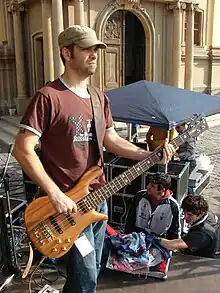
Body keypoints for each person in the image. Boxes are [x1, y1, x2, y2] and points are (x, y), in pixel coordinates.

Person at [13, 25, 174, 293]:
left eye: (96, 49)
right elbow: (23, 149)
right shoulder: (49, 97)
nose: (95, 55)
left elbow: (112, 141)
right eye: (86, 49)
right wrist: (54, 193)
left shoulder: (99, 98)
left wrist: (150, 155)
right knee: (86, 276)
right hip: (65, 206)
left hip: (98, 197)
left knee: (92, 268)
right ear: (67, 52)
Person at [125, 173, 181, 240]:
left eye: (152, 186)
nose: (148, 186)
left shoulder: (173, 205)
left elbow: (175, 230)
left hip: (158, 241)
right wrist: (127, 236)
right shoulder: (140, 196)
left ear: (162, 190)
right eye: (149, 183)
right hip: (137, 237)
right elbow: (130, 218)